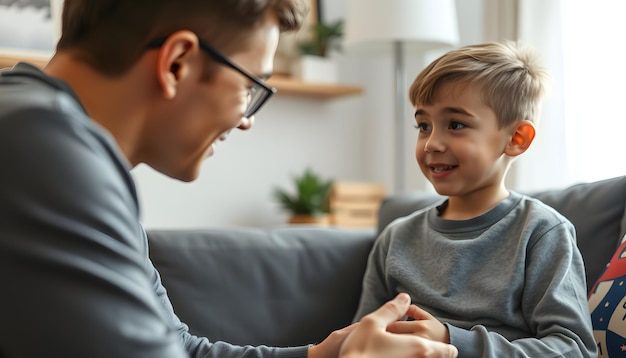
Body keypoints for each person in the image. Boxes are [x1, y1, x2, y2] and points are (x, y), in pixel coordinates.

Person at [0, 0, 458, 357]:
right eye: (249, 87)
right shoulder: (42, 146)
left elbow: (178, 347)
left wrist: (319, 356)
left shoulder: (45, 129)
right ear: (177, 63)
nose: (246, 120)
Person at [352, 41, 597, 357]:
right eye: (423, 125)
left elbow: (573, 349)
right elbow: (362, 338)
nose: (431, 143)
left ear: (516, 139)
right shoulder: (396, 238)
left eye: (455, 124)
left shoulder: (541, 232)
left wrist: (454, 342)